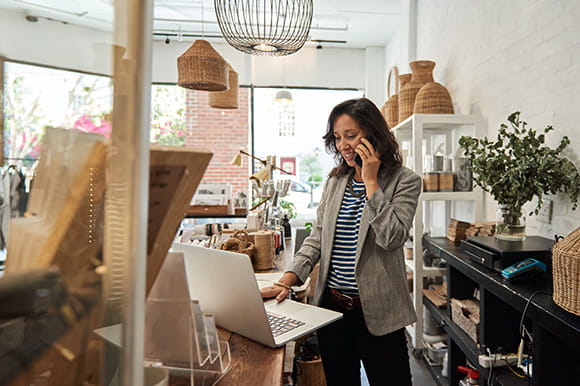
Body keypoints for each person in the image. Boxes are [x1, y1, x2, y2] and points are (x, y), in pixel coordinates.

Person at [261, 97, 422, 385]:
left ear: (373, 135)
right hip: (332, 314)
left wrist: (371, 182)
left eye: (351, 135)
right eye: (337, 137)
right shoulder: (336, 182)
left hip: (380, 316)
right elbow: (317, 239)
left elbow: (392, 237)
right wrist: (287, 279)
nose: (343, 145)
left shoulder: (404, 181)